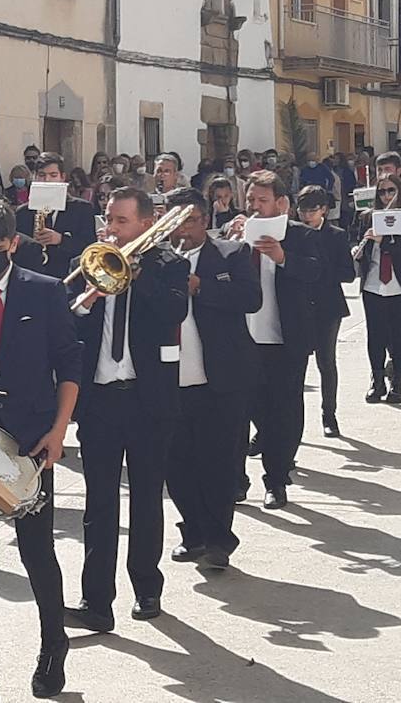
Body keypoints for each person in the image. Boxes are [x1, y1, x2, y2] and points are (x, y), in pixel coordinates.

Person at [0, 199, 81, 701]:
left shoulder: (44, 294)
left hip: (30, 441)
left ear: (13, 245)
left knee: (35, 551)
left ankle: (53, 643)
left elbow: (69, 364)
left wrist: (59, 430)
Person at [65, 187, 189, 630]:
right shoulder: (91, 261)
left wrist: (137, 276)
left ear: (145, 223)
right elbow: (67, 320)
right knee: (98, 505)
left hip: (147, 399)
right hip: (100, 399)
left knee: (146, 500)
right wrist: (87, 299)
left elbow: (175, 311)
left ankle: (147, 588)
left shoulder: (170, 264)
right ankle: (95, 600)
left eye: (119, 221)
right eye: (108, 220)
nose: (111, 229)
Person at [162, 191, 260, 574]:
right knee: (177, 463)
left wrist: (201, 286)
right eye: (173, 222)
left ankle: (220, 540)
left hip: (221, 377)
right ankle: (194, 533)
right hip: (173, 377)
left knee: (217, 463)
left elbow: (251, 298)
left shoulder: (232, 254)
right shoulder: (157, 259)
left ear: (203, 220)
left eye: (187, 221)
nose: (180, 230)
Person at [224, 171, 322, 509]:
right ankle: (236, 481)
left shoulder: (301, 235)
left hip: (284, 340)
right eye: (251, 200)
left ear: (281, 203)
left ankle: (276, 480)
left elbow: (317, 273)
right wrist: (232, 243)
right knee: (238, 414)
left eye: (262, 201)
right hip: (241, 339)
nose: (254, 207)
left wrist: (282, 258)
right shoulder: (238, 236)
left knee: (281, 413)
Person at [297, 185, 356, 436]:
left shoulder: (336, 235)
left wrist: (319, 267)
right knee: (294, 366)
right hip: (298, 306)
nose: (306, 215)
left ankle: (329, 414)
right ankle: (283, 421)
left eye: (312, 210)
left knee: (326, 362)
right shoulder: (292, 233)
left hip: (327, 306)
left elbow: (348, 274)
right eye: (302, 209)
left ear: (323, 210)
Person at [353, 175, 401, 405]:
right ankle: (377, 381)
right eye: (382, 191)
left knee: (399, 336)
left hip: (399, 286)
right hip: (374, 285)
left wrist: (387, 240)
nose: (386, 196)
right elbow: (359, 247)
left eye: (391, 190)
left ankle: (397, 383)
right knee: (375, 336)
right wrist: (363, 246)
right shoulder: (367, 218)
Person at [15, 151, 97, 281]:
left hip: (67, 278)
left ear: (62, 177)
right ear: (34, 177)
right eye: (42, 175)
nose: (47, 180)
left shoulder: (82, 209)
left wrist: (61, 240)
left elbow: (89, 247)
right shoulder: (23, 212)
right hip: (33, 278)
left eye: (53, 175)